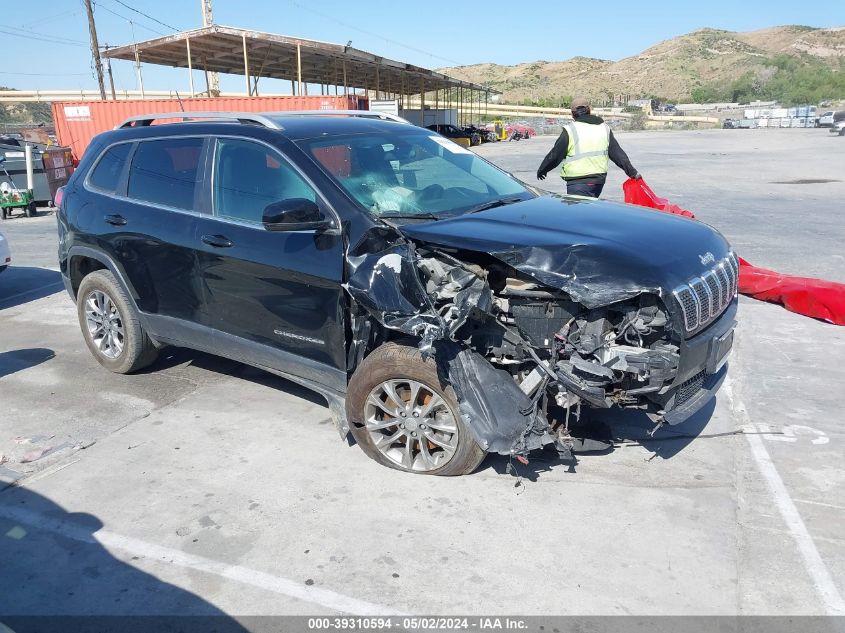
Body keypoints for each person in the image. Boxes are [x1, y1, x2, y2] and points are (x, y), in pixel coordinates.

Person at [536, 96, 640, 198]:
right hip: (598, 181)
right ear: (589, 110)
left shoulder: (571, 130)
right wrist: (633, 172)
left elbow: (555, 155)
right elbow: (618, 154)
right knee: (589, 211)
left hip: (578, 182)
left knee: (579, 214)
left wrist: (543, 169)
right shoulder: (604, 128)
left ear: (573, 114)